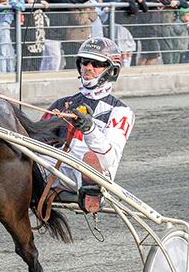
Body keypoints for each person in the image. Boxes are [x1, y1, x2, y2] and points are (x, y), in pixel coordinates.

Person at [41, 37, 133, 214]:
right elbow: (37, 142)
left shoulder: (121, 111)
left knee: (91, 164)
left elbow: (108, 159)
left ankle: (93, 189)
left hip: (84, 173)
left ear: (111, 71)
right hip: (53, 168)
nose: (88, 67)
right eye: (84, 61)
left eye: (96, 63)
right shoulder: (62, 103)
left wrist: (89, 130)